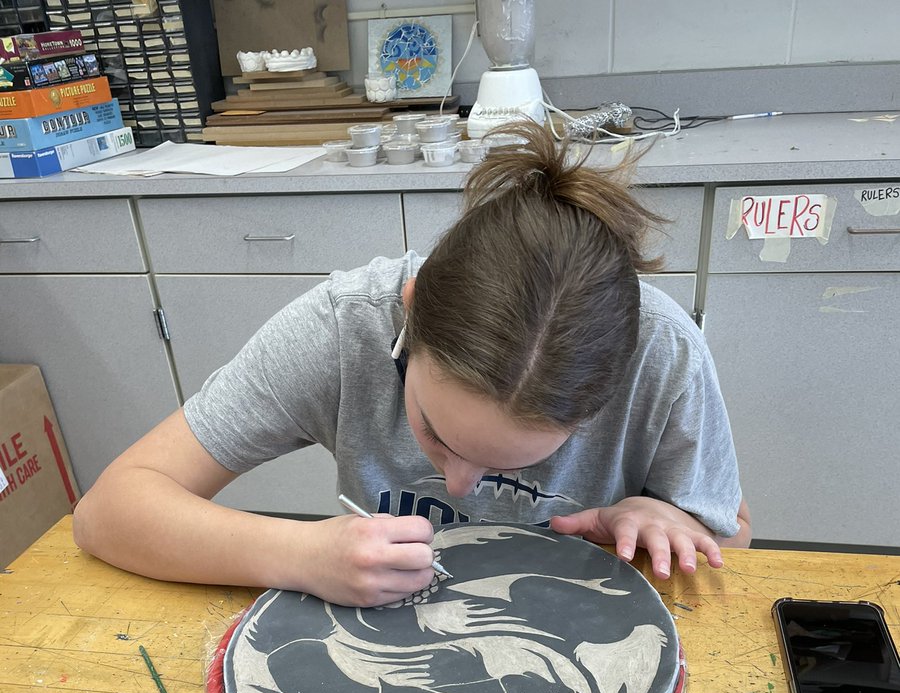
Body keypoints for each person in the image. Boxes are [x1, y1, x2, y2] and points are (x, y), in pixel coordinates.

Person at [73, 121, 751, 608]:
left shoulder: (660, 351)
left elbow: (735, 534)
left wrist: (662, 521)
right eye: (438, 433)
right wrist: (301, 555)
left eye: (507, 464)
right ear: (412, 310)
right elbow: (108, 513)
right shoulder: (346, 326)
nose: (458, 487)